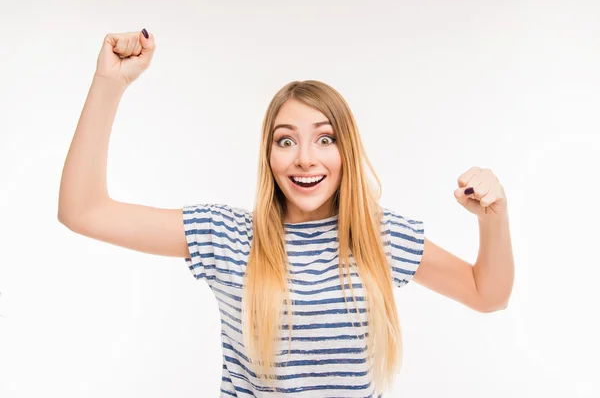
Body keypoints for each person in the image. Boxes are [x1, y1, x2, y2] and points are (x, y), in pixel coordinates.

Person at [58, 29, 515, 397]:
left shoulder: (380, 238)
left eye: (324, 138)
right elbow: (84, 211)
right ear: (269, 154)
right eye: (285, 140)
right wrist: (109, 84)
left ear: (346, 151)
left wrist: (493, 217)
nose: (305, 159)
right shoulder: (227, 236)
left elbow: (487, 294)